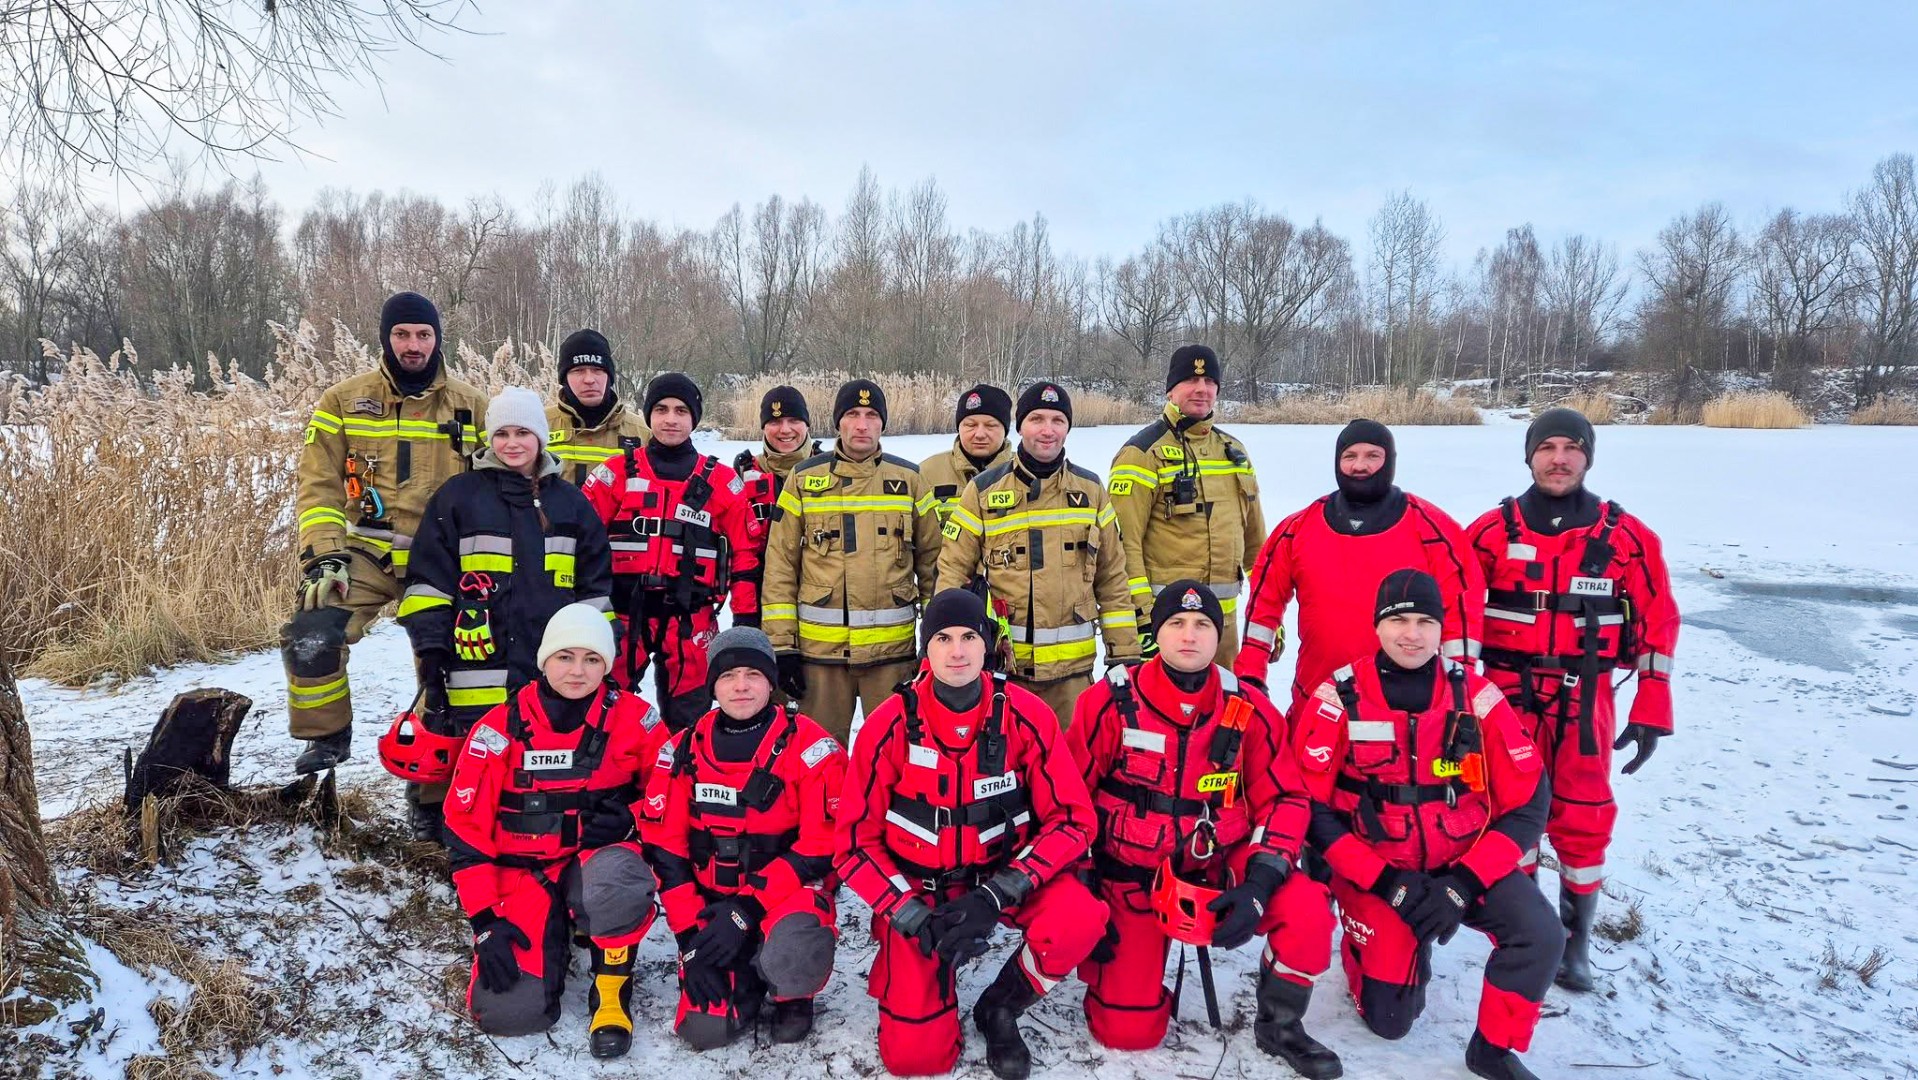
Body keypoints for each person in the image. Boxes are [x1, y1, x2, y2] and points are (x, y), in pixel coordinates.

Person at [1292, 570, 1558, 1080]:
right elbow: (1312, 809)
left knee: (1541, 933)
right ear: (1377, 626)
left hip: (1463, 865)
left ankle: (1493, 1049)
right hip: (1379, 872)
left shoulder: (1477, 697)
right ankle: (1364, 946)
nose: (1411, 634)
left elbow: (1530, 803)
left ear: (1442, 629)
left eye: (1424, 622)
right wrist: (1386, 883)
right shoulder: (1337, 696)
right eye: (1398, 620)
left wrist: (1463, 885)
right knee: (1390, 1022)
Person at [1069, 581, 1341, 1078]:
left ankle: (1280, 1023)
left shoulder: (1251, 710)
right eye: (1176, 623)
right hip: (1133, 875)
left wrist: (1260, 884)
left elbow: (1286, 799)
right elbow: (1070, 802)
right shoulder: (1106, 703)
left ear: (1220, 637)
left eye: (1202, 626)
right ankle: (1131, 974)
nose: (1189, 636)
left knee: (1307, 912)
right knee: (1128, 1033)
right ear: (1156, 631)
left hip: (1222, 866)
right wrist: (1084, 885)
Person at [835, 590, 1108, 1080]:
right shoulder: (887, 725)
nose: (957, 651)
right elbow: (853, 844)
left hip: (1002, 881)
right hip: (922, 896)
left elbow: (1074, 820)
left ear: (988, 646)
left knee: (1079, 918)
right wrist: (910, 915)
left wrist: (1001, 891)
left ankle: (1000, 1006)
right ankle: (919, 977)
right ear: (926, 649)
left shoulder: (1028, 716)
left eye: (968, 637)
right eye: (942, 638)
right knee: (914, 1059)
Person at [1464, 408, 1679, 992]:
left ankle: (1575, 941)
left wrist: (1651, 710)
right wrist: (1456, 699)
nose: (1559, 458)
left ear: (1588, 457)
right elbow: (1456, 612)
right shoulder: (1489, 533)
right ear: (1529, 455)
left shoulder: (1627, 538)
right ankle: (1527, 929)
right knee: (1512, 811)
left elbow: (1658, 622)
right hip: (1506, 696)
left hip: (1587, 698)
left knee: (1584, 815)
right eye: (1547, 447)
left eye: (1572, 448)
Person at [439, 603, 670, 1058]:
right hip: (523, 874)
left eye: (592, 659)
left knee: (617, 882)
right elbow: (465, 831)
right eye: (566, 657)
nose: (578, 671)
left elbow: (672, 797)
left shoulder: (638, 721)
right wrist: (485, 923)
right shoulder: (498, 729)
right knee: (510, 1014)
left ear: (607, 665)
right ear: (545, 660)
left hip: (595, 864)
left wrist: (633, 817)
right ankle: (555, 932)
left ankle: (611, 989)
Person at [395, 387, 614, 840]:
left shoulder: (571, 505)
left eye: (523, 433)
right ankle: (451, 830)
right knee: (469, 748)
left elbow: (595, 592)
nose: (512, 444)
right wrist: (432, 645)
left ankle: (531, 832)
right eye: (502, 434)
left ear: (541, 437)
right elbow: (428, 578)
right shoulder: (459, 497)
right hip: (474, 659)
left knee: (539, 751)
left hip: (546, 662)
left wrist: (600, 654)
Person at [284, 290, 488, 775]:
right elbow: (318, 483)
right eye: (402, 334)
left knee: (450, 670)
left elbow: (495, 486)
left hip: (441, 562)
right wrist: (324, 555)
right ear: (385, 338)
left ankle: (432, 792)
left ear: (438, 339)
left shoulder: (472, 406)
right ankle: (326, 738)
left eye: (423, 334)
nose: (412, 345)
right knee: (310, 632)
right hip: (363, 555)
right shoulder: (342, 401)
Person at [640, 627, 844, 1050]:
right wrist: (689, 942)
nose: (741, 686)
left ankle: (792, 992)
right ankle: (744, 972)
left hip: (782, 898)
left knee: (795, 943)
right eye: (729, 675)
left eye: (753, 674)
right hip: (709, 905)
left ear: (771, 681)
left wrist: (746, 909)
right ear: (713, 683)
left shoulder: (812, 748)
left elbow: (821, 847)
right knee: (704, 1030)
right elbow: (667, 854)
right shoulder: (680, 751)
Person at [1237, 419, 1484, 714]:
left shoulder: (1432, 530)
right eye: (1350, 456)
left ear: (1389, 461)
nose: (1360, 466)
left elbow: (1462, 609)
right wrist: (1252, 673)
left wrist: (1459, 685)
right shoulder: (1297, 529)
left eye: (1372, 456)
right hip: (1315, 697)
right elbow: (1264, 606)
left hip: (1404, 706)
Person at [936, 381, 1138, 725]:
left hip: (1073, 680)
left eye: (1058, 420)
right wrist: (942, 653)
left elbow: (1113, 579)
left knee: (1071, 772)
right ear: (1020, 427)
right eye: (1036, 419)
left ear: (1068, 428)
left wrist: (1125, 656)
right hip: (1005, 674)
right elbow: (952, 574)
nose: (1047, 430)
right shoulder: (982, 491)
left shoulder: (1091, 491)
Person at [761, 379, 941, 746]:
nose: (862, 425)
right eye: (852, 415)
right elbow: (780, 565)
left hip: (893, 657)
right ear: (837, 423)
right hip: (820, 658)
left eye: (872, 415)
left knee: (896, 756)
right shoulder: (804, 479)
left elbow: (934, 565)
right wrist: (783, 647)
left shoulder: (910, 480)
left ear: (883, 424)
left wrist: (937, 641)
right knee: (818, 758)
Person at [579, 373, 761, 732]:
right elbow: (582, 545)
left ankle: (682, 782)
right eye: (661, 409)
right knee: (607, 714)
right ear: (648, 416)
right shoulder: (615, 474)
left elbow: (746, 556)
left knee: (689, 721)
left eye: (681, 410)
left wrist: (745, 618)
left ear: (694, 418)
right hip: (622, 617)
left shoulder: (722, 482)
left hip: (689, 621)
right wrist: (588, 607)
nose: (671, 419)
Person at [1108, 345, 1265, 666]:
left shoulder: (1234, 452)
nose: (1201, 389)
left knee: (1222, 712)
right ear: (1170, 390)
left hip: (1223, 630)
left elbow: (1256, 543)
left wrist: (1266, 615)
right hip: (1168, 626)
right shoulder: (1142, 453)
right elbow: (1123, 548)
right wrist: (1144, 621)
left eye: (1210, 381)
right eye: (1190, 381)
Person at [733, 385, 821, 572]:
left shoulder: (829, 469)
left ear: (807, 424)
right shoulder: (743, 473)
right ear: (763, 427)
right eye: (775, 422)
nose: (785, 429)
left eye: (794, 420)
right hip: (762, 589)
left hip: (819, 591)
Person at [546, 328, 650, 485]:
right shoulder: (538, 426)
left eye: (597, 370)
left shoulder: (642, 433)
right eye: (578, 370)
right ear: (564, 378)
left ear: (609, 376)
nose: (589, 379)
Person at [920, 382, 1014, 542]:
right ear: (959, 427)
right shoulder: (926, 473)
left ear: (1005, 430)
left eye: (991, 425)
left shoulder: (1024, 472)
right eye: (970, 425)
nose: (980, 434)